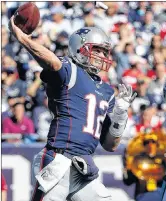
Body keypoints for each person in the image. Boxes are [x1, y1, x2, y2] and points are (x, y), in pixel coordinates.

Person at [8, 10, 136, 201]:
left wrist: (120, 114)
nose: (102, 55)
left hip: (84, 167)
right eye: (97, 50)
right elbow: (51, 61)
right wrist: (23, 38)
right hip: (59, 161)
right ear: (80, 48)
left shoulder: (108, 91)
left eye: (104, 51)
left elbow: (110, 144)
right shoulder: (71, 70)